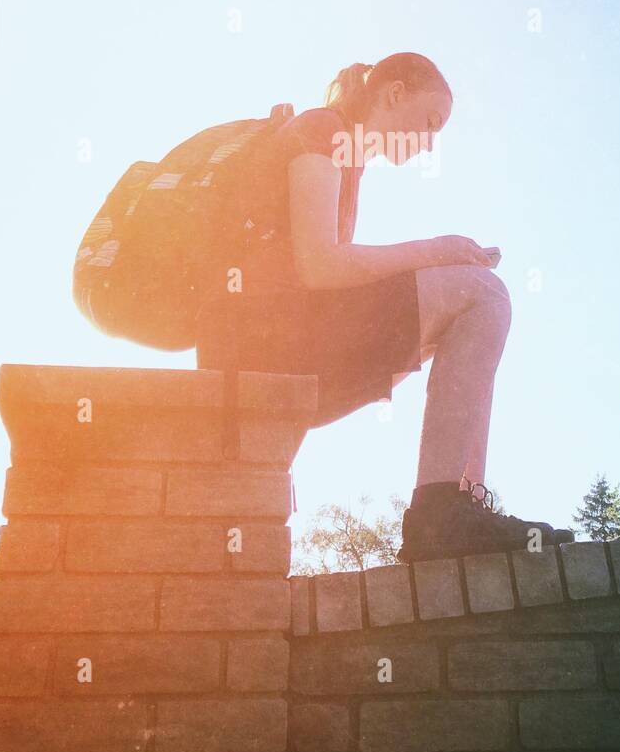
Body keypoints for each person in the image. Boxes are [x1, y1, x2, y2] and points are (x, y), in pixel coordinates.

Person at [194, 51, 574, 563]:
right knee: (482, 295)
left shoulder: (345, 153)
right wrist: (437, 251)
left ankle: (463, 505)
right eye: (430, 122)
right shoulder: (325, 129)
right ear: (394, 94)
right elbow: (319, 266)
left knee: (474, 302)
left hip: (271, 341)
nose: (431, 142)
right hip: (262, 343)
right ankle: (445, 511)